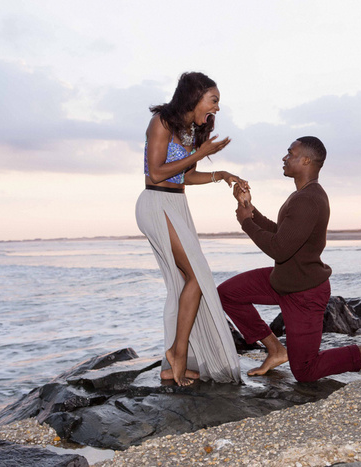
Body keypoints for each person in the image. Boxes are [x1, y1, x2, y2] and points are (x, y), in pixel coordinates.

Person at [217, 136, 361, 382]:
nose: (284, 157)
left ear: (305, 160)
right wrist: (248, 206)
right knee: (228, 293)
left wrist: (245, 223)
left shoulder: (308, 200)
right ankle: (275, 350)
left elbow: (279, 249)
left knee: (305, 371)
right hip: (281, 279)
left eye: (290, 153)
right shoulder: (302, 195)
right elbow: (283, 234)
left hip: (304, 293)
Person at [135, 72, 244, 386]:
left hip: (176, 204)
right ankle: (177, 352)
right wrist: (200, 155)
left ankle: (174, 363)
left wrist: (220, 174)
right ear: (195, 97)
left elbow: (184, 176)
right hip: (156, 203)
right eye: (214, 100)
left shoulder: (192, 132)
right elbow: (156, 174)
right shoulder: (161, 124)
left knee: (184, 284)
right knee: (196, 276)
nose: (217, 108)